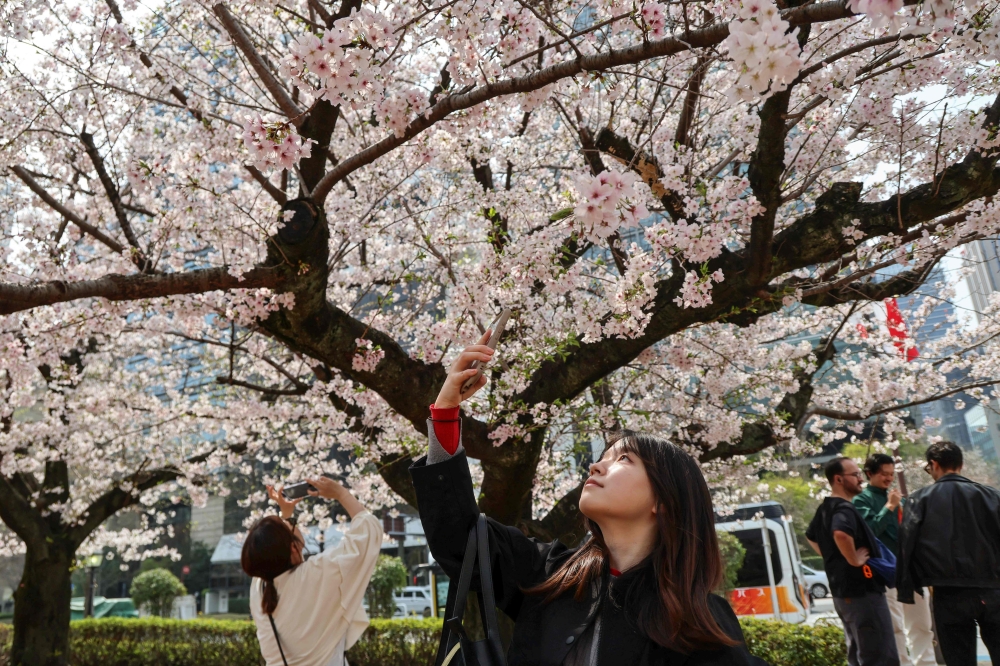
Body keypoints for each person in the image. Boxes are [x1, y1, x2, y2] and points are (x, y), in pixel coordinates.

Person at [410, 333, 766, 666]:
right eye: (604, 456)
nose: (595, 466)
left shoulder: (698, 621)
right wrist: (445, 412)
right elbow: (460, 536)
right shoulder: (548, 575)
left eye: (623, 459)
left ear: (664, 501)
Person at [242, 477, 382, 666]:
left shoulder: (259, 587)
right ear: (293, 548)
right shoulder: (321, 572)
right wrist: (341, 493)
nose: (293, 524)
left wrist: (286, 514)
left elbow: (278, 560)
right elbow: (368, 531)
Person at [897, 441, 1000, 666]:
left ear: (933, 464)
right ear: (961, 464)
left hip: (948, 591)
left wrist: (909, 585)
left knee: (959, 659)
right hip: (993, 589)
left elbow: (907, 542)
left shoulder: (919, 499)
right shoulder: (992, 496)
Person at [806, 457, 898, 666]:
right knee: (878, 654)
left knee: (858, 653)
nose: (860, 479)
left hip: (844, 593)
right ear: (838, 479)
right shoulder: (843, 509)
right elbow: (840, 533)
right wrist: (853, 559)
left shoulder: (825, 508)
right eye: (855, 475)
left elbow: (811, 536)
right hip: (862, 592)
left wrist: (834, 558)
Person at [854, 454, 935, 666]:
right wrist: (889, 507)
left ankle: (926, 663)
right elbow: (869, 532)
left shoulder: (901, 500)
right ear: (869, 474)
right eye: (884, 474)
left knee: (922, 624)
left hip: (912, 570)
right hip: (886, 573)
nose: (889, 479)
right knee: (895, 627)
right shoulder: (861, 500)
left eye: (891, 474)